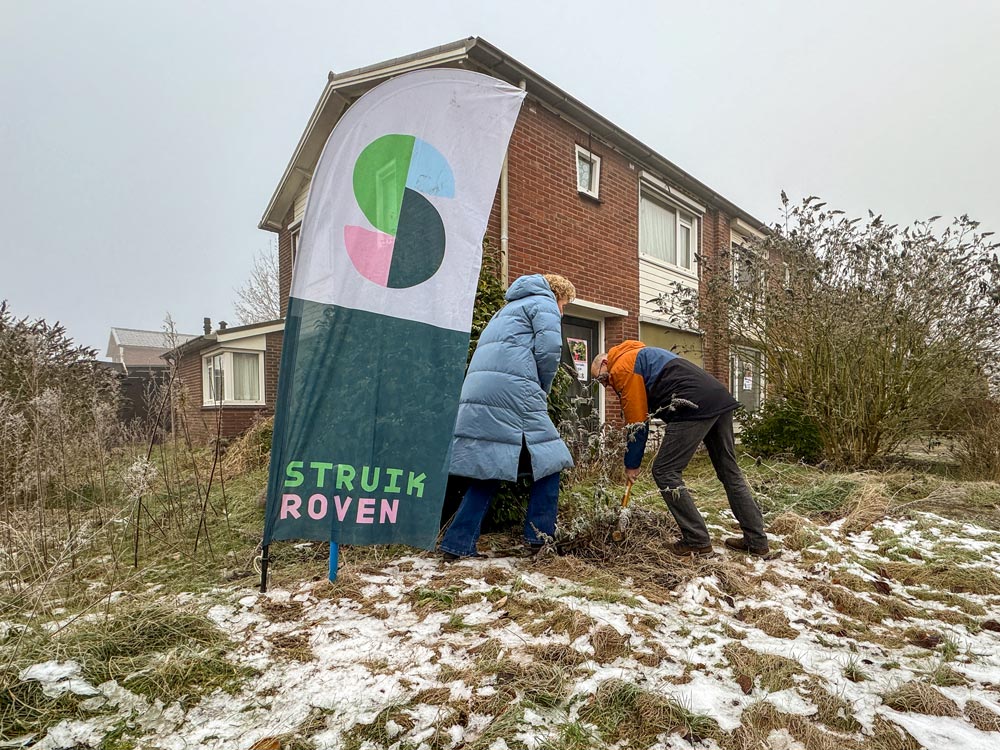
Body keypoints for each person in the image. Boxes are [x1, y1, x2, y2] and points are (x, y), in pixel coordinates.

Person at [440, 273, 576, 560]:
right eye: (566, 304)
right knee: (551, 463)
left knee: (492, 464)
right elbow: (550, 351)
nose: (563, 311)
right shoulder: (545, 303)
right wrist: (543, 387)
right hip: (515, 391)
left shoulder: (506, 310)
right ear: (558, 294)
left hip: (482, 391)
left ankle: (457, 543)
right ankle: (540, 539)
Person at [591, 340, 769, 557]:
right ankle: (757, 541)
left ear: (606, 362)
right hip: (717, 397)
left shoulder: (622, 366)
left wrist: (632, 464)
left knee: (665, 471)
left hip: (692, 404)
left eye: (602, 378)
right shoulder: (640, 354)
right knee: (729, 471)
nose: (606, 384)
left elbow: (637, 424)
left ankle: (696, 540)